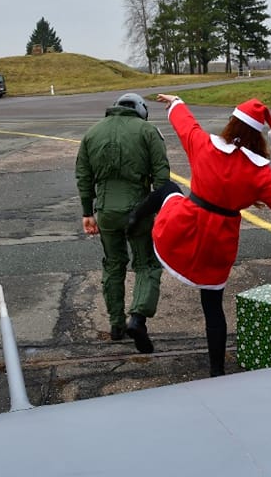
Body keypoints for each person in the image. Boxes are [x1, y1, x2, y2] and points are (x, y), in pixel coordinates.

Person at [143, 94, 271, 377]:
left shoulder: (204, 146)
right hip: (218, 243)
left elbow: (186, 126)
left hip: (183, 228)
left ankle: (132, 220)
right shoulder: (260, 175)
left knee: (169, 194)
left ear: (232, 124)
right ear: (260, 136)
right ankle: (216, 373)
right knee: (213, 308)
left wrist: (176, 103)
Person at [75, 93, 170, 353]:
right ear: (140, 110)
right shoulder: (149, 131)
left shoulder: (92, 133)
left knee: (113, 264)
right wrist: (160, 210)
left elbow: (83, 176)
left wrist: (87, 212)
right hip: (139, 210)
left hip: (105, 211)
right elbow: (162, 176)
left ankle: (116, 325)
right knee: (147, 264)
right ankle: (137, 319)